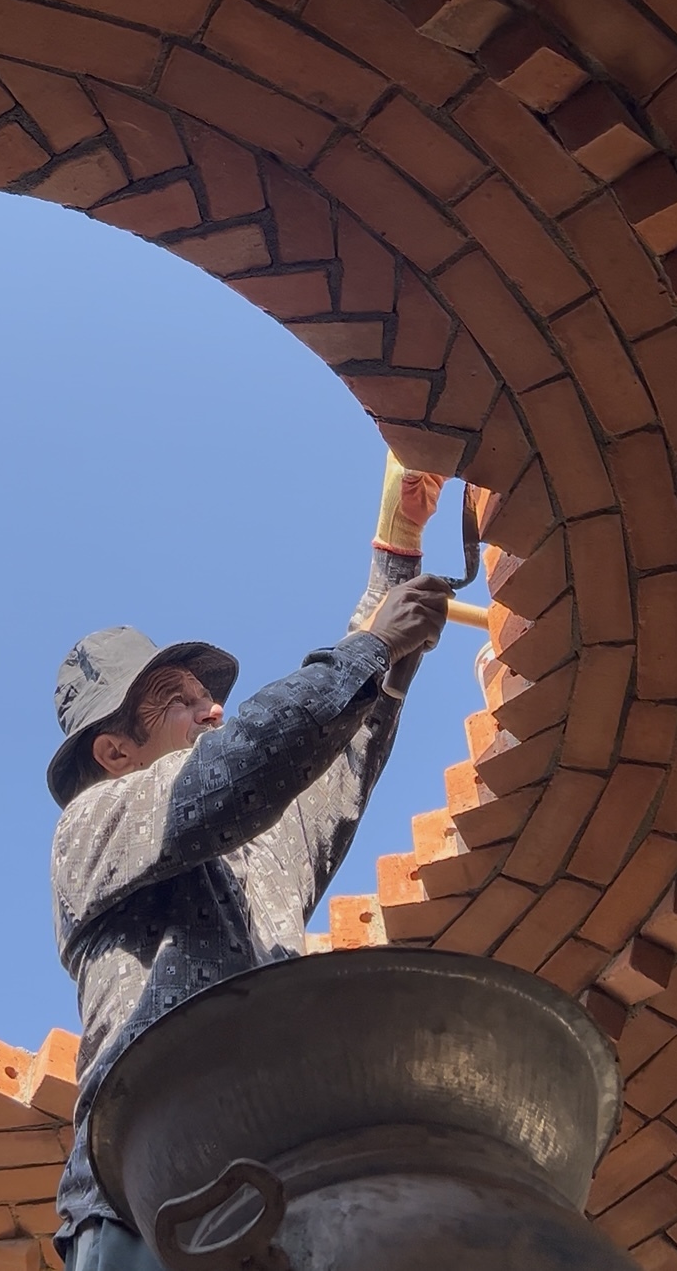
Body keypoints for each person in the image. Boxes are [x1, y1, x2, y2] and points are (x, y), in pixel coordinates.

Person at [48, 457, 450, 1270]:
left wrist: (396, 554)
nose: (213, 707)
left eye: (208, 693)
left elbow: (335, 747)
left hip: (275, 1191)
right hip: (148, 1203)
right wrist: (370, 644)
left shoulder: (254, 847)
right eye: (178, 699)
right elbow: (245, 762)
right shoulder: (96, 823)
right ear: (115, 750)